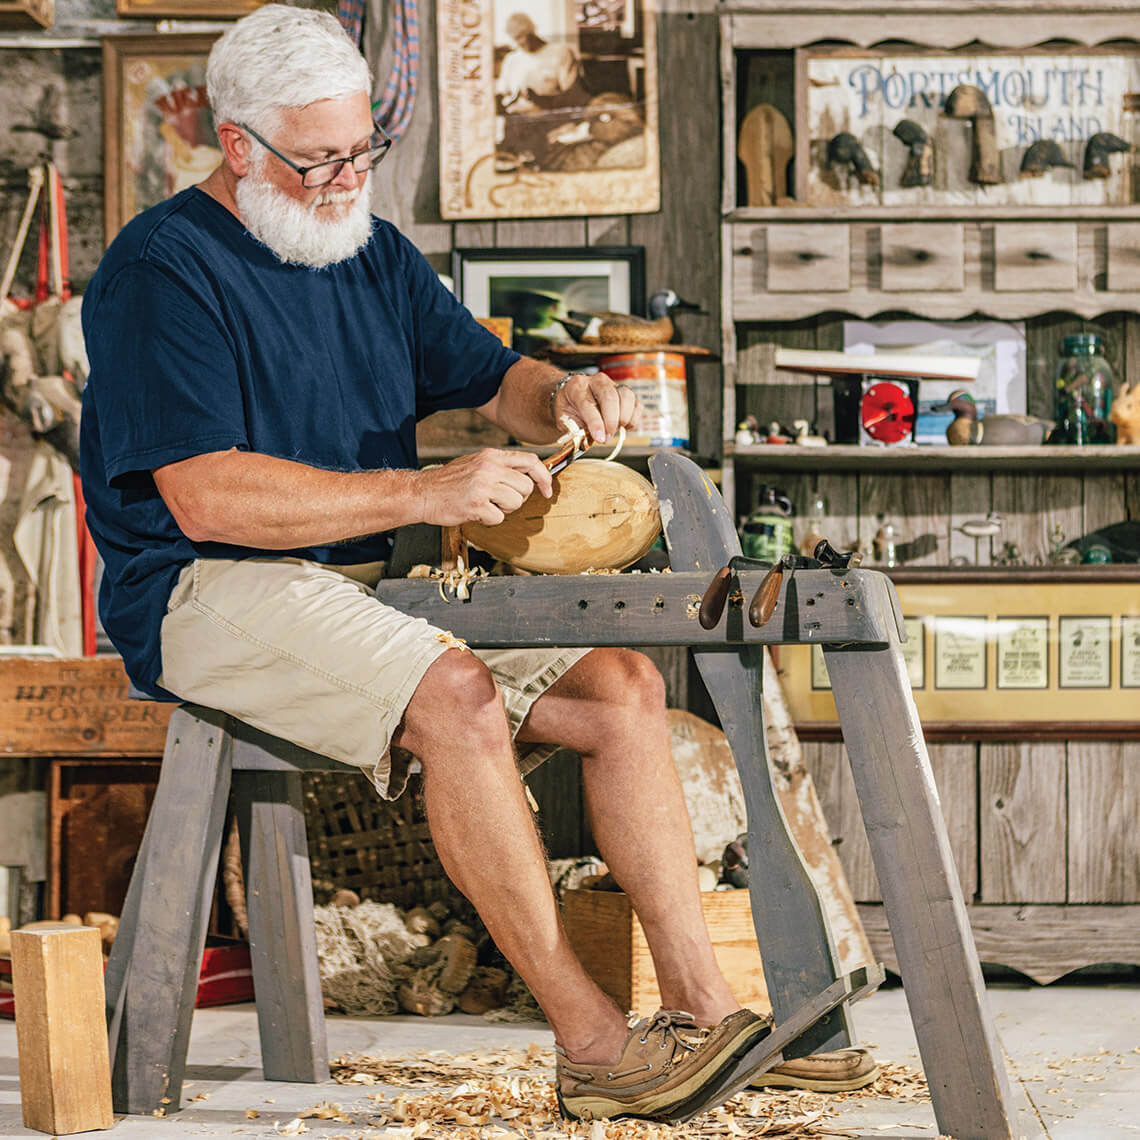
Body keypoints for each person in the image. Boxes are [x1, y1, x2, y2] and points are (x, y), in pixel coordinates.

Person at [79, 4, 869, 1121]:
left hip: (356, 579)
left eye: (364, 149)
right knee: (453, 694)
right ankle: (593, 1044)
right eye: (318, 159)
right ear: (240, 144)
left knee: (620, 688)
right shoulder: (161, 271)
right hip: (205, 584)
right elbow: (206, 494)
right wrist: (426, 492)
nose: (347, 177)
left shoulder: (368, 250)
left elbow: (495, 378)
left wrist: (561, 392)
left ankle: (705, 1011)